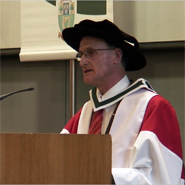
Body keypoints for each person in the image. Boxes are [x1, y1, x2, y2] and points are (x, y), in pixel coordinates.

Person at [60, 19, 184, 184]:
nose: (83, 61)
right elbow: (58, 162)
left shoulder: (153, 107)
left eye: (91, 52)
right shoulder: (85, 113)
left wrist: (103, 177)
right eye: (81, 54)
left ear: (117, 56)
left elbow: (162, 176)